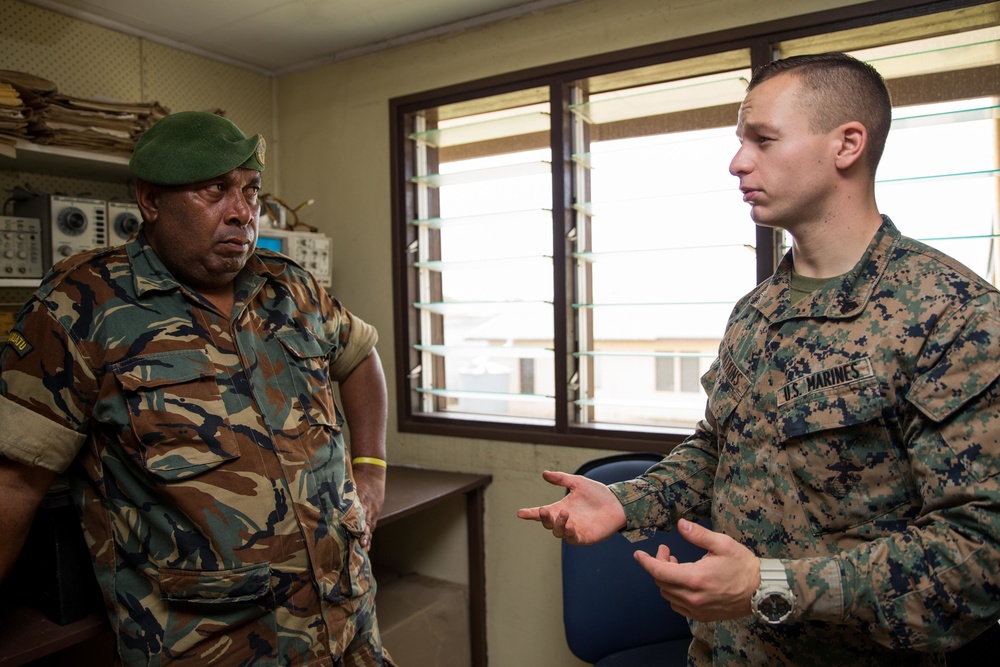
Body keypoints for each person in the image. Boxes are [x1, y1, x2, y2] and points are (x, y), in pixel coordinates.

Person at [518, 52, 1000, 665]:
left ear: (847, 144)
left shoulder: (952, 314)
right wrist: (627, 501)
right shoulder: (756, 312)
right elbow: (719, 451)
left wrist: (768, 588)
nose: (737, 162)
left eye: (763, 140)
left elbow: (979, 556)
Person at [0, 111, 395, 666]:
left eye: (250, 191)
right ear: (150, 200)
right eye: (215, 191)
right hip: (212, 646)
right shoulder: (80, 306)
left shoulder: (291, 287)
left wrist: (372, 470)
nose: (241, 212)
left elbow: (360, 356)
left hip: (347, 623)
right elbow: (15, 482)